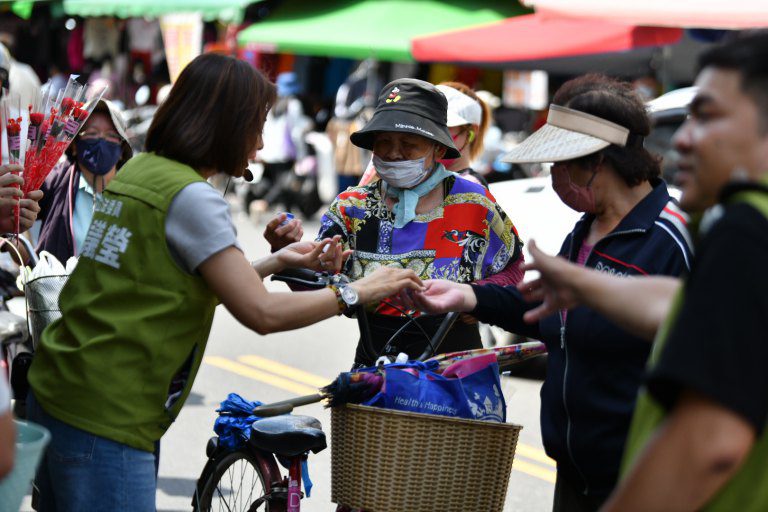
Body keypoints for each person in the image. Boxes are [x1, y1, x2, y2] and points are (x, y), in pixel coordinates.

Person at [25, 53, 422, 511]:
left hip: (61, 390)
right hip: (107, 414)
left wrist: (274, 262)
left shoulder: (142, 171)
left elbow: (172, 284)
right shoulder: (192, 197)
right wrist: (358, 292)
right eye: (257, 124)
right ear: (227, 125)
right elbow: (261, 313)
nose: (260, 141)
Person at [409, 74, 693, 511]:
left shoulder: (671, 240)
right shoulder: (586, 230)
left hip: (643, 483)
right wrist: (467, 296)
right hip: (574, 474)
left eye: (560, 164)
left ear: (597, 161)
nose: (553, 176)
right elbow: (548, 313)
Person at [516, 33, 768, 512]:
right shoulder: (732, 225)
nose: (684, 140)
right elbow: (682, 306)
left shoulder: (747, 228)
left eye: (708, 117)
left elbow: (708, 443)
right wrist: (582, 284)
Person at [314, 78, 524, 368]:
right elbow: (314, 290)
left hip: (456, 370)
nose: (394, 153)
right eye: (384, 142)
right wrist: (321, 268)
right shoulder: (351, 206)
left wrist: (479, 298)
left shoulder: (474, 203)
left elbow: (514, 268)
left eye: (409, 144)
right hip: (376, 367)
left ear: (438, 150)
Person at [34, 99, 132, 263]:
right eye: (92, 134)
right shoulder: (56, 180)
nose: (101, 141)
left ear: (122, 149)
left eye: (111, 136)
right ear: (74, 145)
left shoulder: (134, 192)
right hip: (60, 288)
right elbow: (16, 211)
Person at [435, 82, 491, 187]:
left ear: (472, 131)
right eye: (428, 123)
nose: (433, 132)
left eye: (444, 125)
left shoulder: (469, 186)